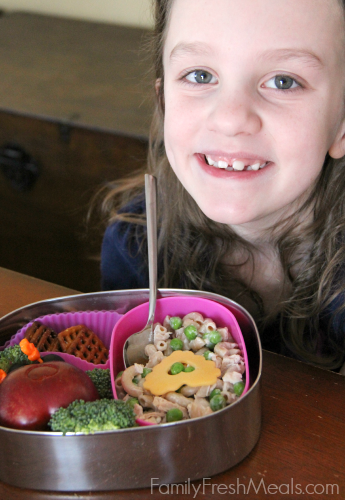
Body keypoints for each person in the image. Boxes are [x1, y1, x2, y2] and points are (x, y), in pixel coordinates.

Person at [99, 0, 345, 371]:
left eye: (284, 81)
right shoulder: (135, 246)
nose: (231, 119)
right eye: (200, 76)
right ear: (163, 101)